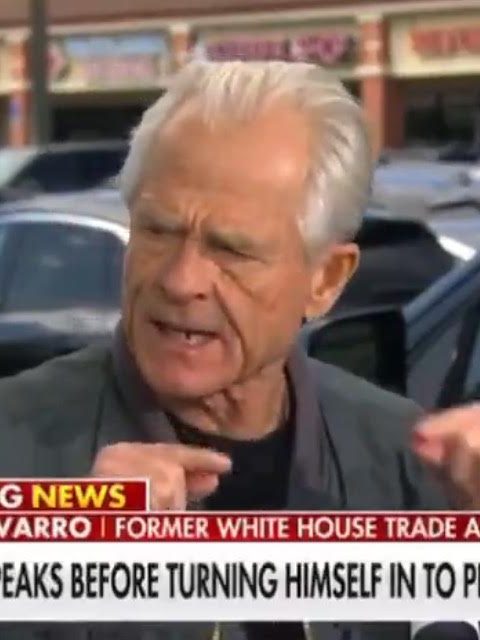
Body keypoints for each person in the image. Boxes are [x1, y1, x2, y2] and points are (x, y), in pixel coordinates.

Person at [1, 60, 480, 640]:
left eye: (232, 250)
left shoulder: (403, 459)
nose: (181, 280)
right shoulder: (14, 444)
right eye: (157, 231)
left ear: (326, 279)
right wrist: (65, 557)